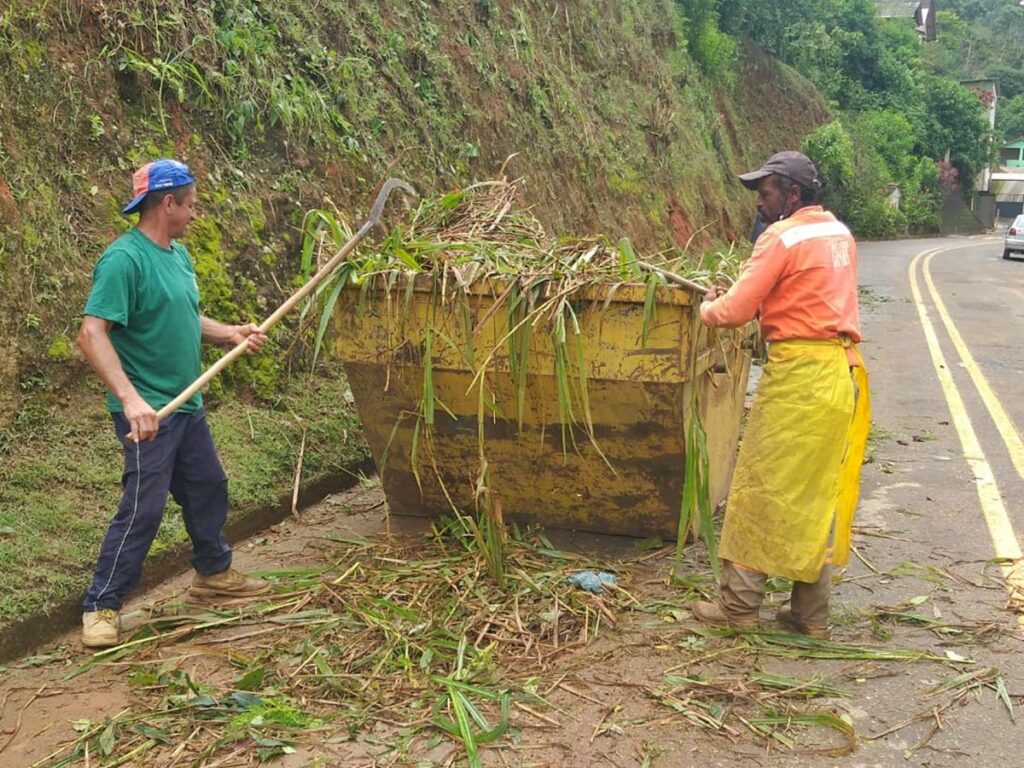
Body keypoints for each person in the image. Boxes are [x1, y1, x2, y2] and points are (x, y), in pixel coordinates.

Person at [78, 159, 271, 649]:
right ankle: (101, 604)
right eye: (189, 205)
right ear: (167, 204)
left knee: (208, 486)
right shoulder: (124, 261)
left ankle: (212, 573)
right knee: (143, 507)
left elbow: (184, 316)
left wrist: (229, 333)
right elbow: (92, 333)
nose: (193, 214)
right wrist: (130, 399)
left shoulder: (177, 255)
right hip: (149, 412)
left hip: (187, 405)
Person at [693, 151, 871, 638]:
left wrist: (709, 307)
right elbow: (801, 292)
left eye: (766, 192)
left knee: (759, 488)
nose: (759, 202)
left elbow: (735, 311)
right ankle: (810, 617)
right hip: (840, 376)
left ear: (793, 194)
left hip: (798, 379)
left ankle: (739, 607)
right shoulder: (839, 233)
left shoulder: (781, 236)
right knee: (815, 494)